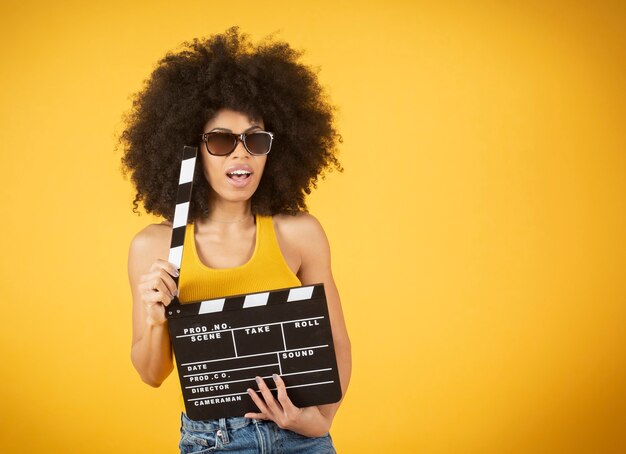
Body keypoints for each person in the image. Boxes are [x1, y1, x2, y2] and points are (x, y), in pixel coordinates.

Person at [120, 27, 352, 453]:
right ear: (190, 150)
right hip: (213, 439)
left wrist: (318, 420)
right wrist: (156, 319)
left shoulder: (299, 233)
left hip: (299, 436)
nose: (240, 153)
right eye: (222, 140)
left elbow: (334, 341)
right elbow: (151, 374)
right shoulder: (153, 247)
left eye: (255, 139)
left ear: (273, 150)